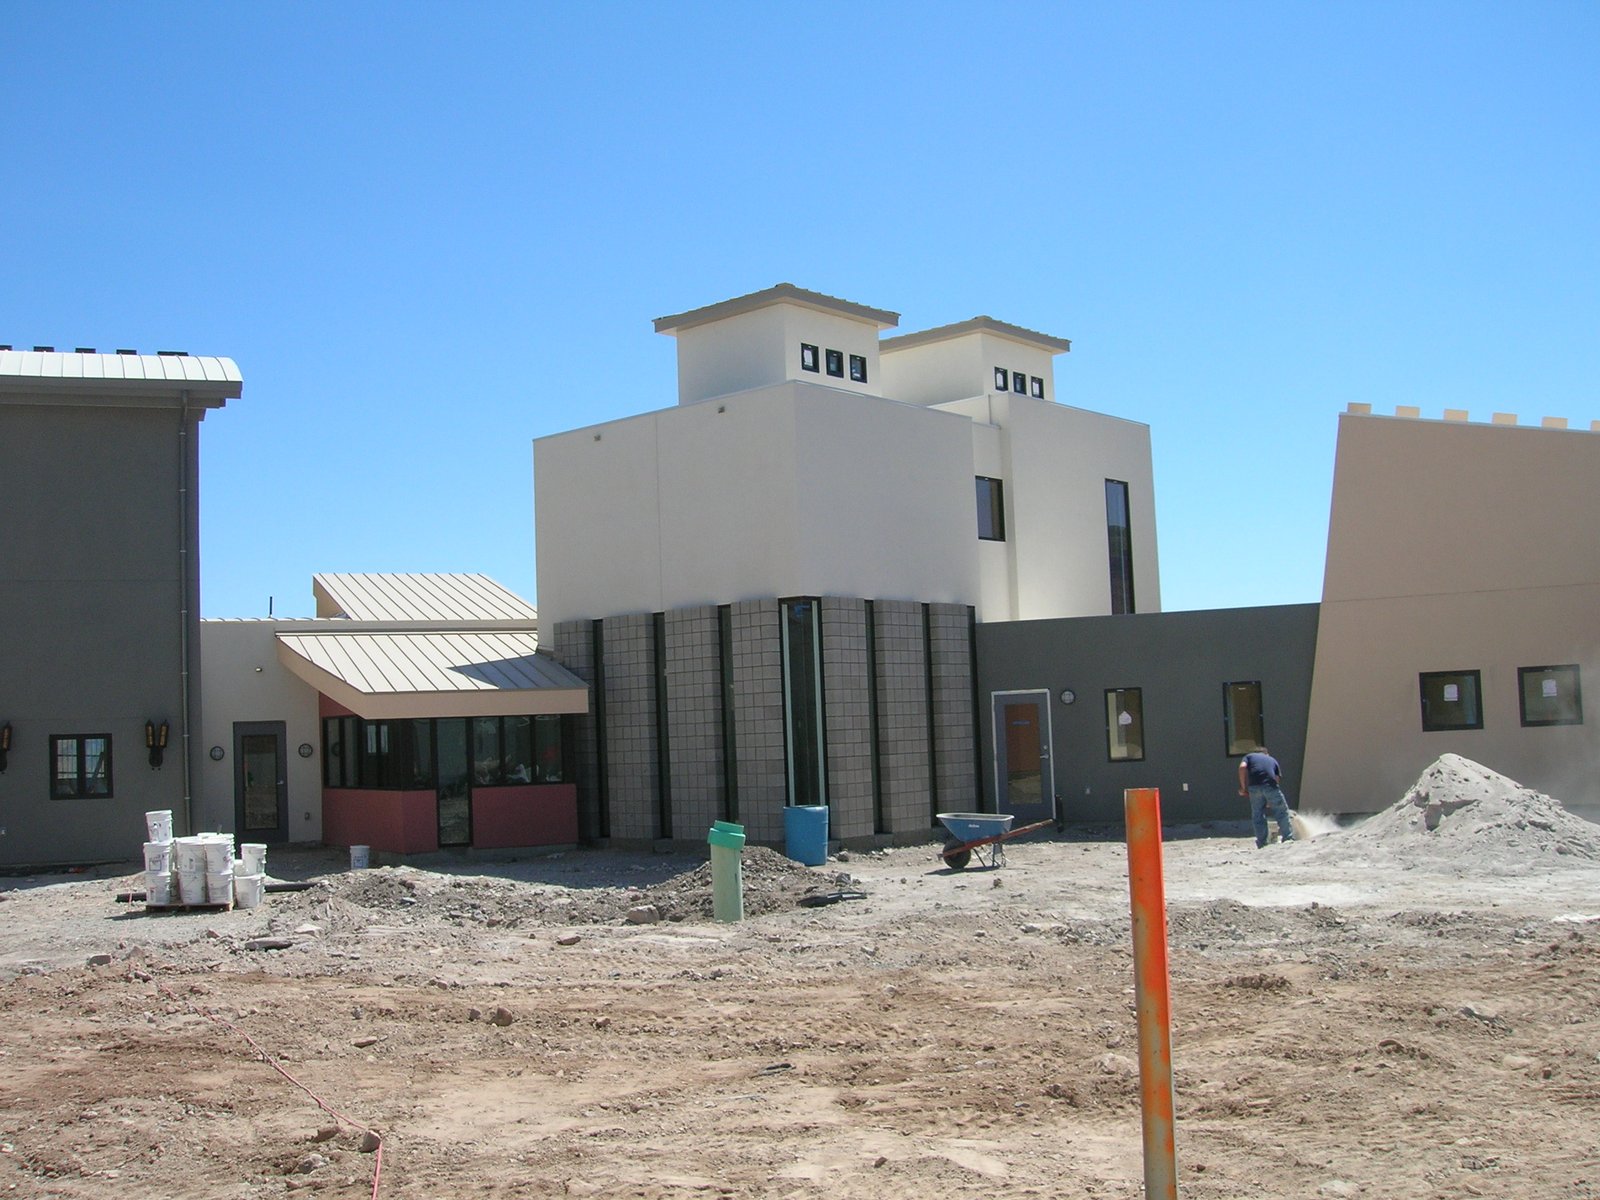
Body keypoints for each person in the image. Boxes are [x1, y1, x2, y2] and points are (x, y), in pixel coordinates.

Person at [1238, 747, 1295, 848]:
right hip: (1270, 786)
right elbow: (1276, 779)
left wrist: (1243, 788)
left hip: (1254, 787)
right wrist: (1270, 799)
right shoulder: (1272, 760)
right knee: (1281, 812)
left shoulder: (1249, 756)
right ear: (1266, 754)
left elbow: (1242, 767)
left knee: (1258, 814)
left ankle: (1262, 842)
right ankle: (1288, 838)